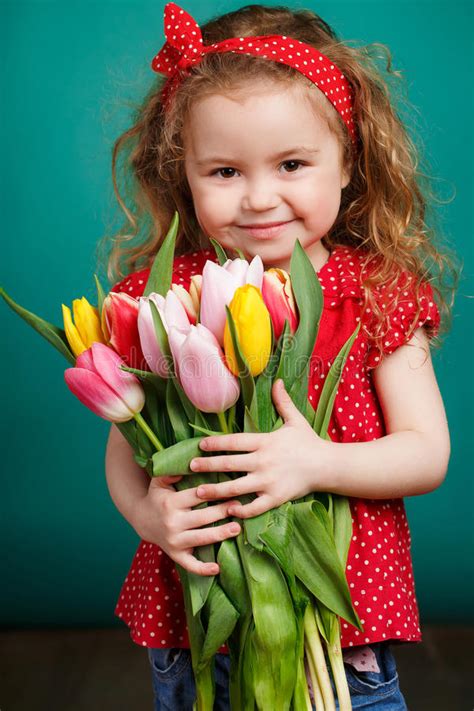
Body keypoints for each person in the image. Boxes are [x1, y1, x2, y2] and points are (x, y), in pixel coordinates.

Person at [101, 3, 456, 709]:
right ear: (185, 175)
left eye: (292, 163)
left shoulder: (374, 293)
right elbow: (125, 447)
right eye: (225, 171)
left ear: (350, 163)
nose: (261, 198)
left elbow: (426, 452)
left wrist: (315, 461)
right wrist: (148, 516)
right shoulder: (164, 298)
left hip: (336, 636)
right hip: (203, 623)